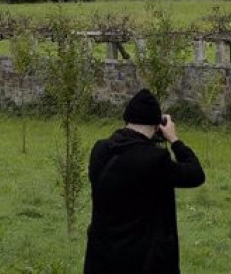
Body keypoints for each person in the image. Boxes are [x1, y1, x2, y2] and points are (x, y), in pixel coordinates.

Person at [84, 88, 206, 274]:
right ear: (157, 125)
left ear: (127, 119)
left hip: (101, 257)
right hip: (139, 260)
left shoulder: (100, 150)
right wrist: (174, 140)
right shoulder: (154, 160)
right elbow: (195, 175)